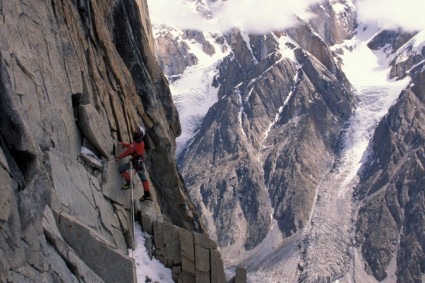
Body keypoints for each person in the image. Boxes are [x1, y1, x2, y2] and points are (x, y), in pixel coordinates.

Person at [116, 126, 152, 201]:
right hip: (138, 162)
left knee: (121, 168)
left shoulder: (138, 141)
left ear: (140, 133)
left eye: (137, 130)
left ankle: (130, 183)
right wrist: (124, 144)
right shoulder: (139, 141)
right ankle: (147, 195)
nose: (135, 131)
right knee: (142, 177)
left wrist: (119, 157)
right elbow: (131, 147)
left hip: (136, 162)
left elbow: (129, 150)